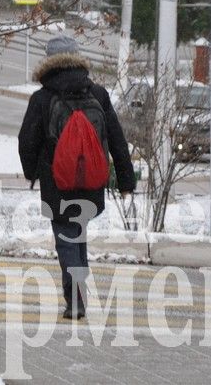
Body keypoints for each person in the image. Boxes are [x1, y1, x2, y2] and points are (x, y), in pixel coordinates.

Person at [18, 35, 135, 320]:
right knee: (77, 234)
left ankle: (76, 297)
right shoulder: (98, 94)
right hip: (92, 180)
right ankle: (79, 291)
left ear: (48, 62)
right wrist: (125, 180)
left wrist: (32, 171)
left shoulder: (42, 98)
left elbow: (27, 140)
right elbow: (117, 139)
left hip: (58, 181)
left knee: (67, 237)